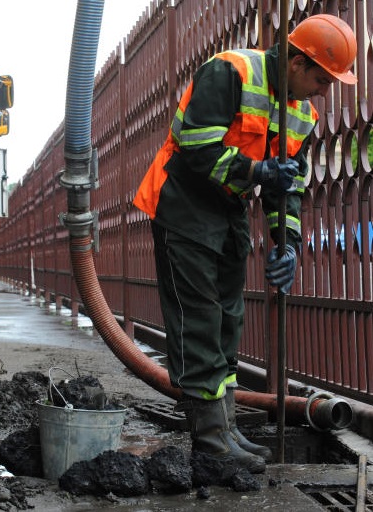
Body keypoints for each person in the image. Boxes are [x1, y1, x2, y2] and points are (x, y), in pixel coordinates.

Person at [133, 14, 357, 473]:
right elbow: (194, 147)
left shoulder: (301, 113)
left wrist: (287, 241)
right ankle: (211, 439)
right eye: (321, 78)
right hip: (183, 205)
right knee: (201, 321)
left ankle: (227, 427)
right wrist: (257, 173)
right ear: (296, 63)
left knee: (228, 321)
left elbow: (286, 189)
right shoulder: (230, 71)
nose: (324, 91)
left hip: (226, 211)